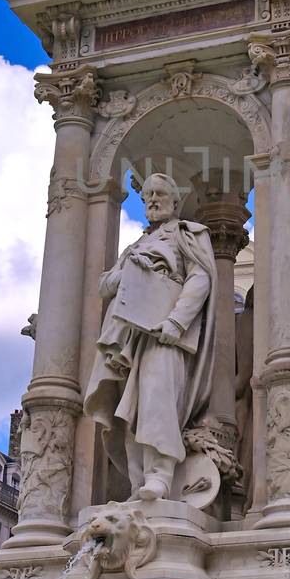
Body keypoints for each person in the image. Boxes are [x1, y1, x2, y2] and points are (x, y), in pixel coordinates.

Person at [84, 173, 216, 502]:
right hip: (129, 335)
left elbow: (200, 279)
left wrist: (176, 321)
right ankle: (137, 482)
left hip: (165, 333)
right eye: (146, 198)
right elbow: (104, 287)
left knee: (158, 401)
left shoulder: (188, 235)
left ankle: (161, 475)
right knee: (129, 411)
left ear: (175, 201)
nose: (152, 201)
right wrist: (130, 267)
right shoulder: (135, 246)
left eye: (158, 195)